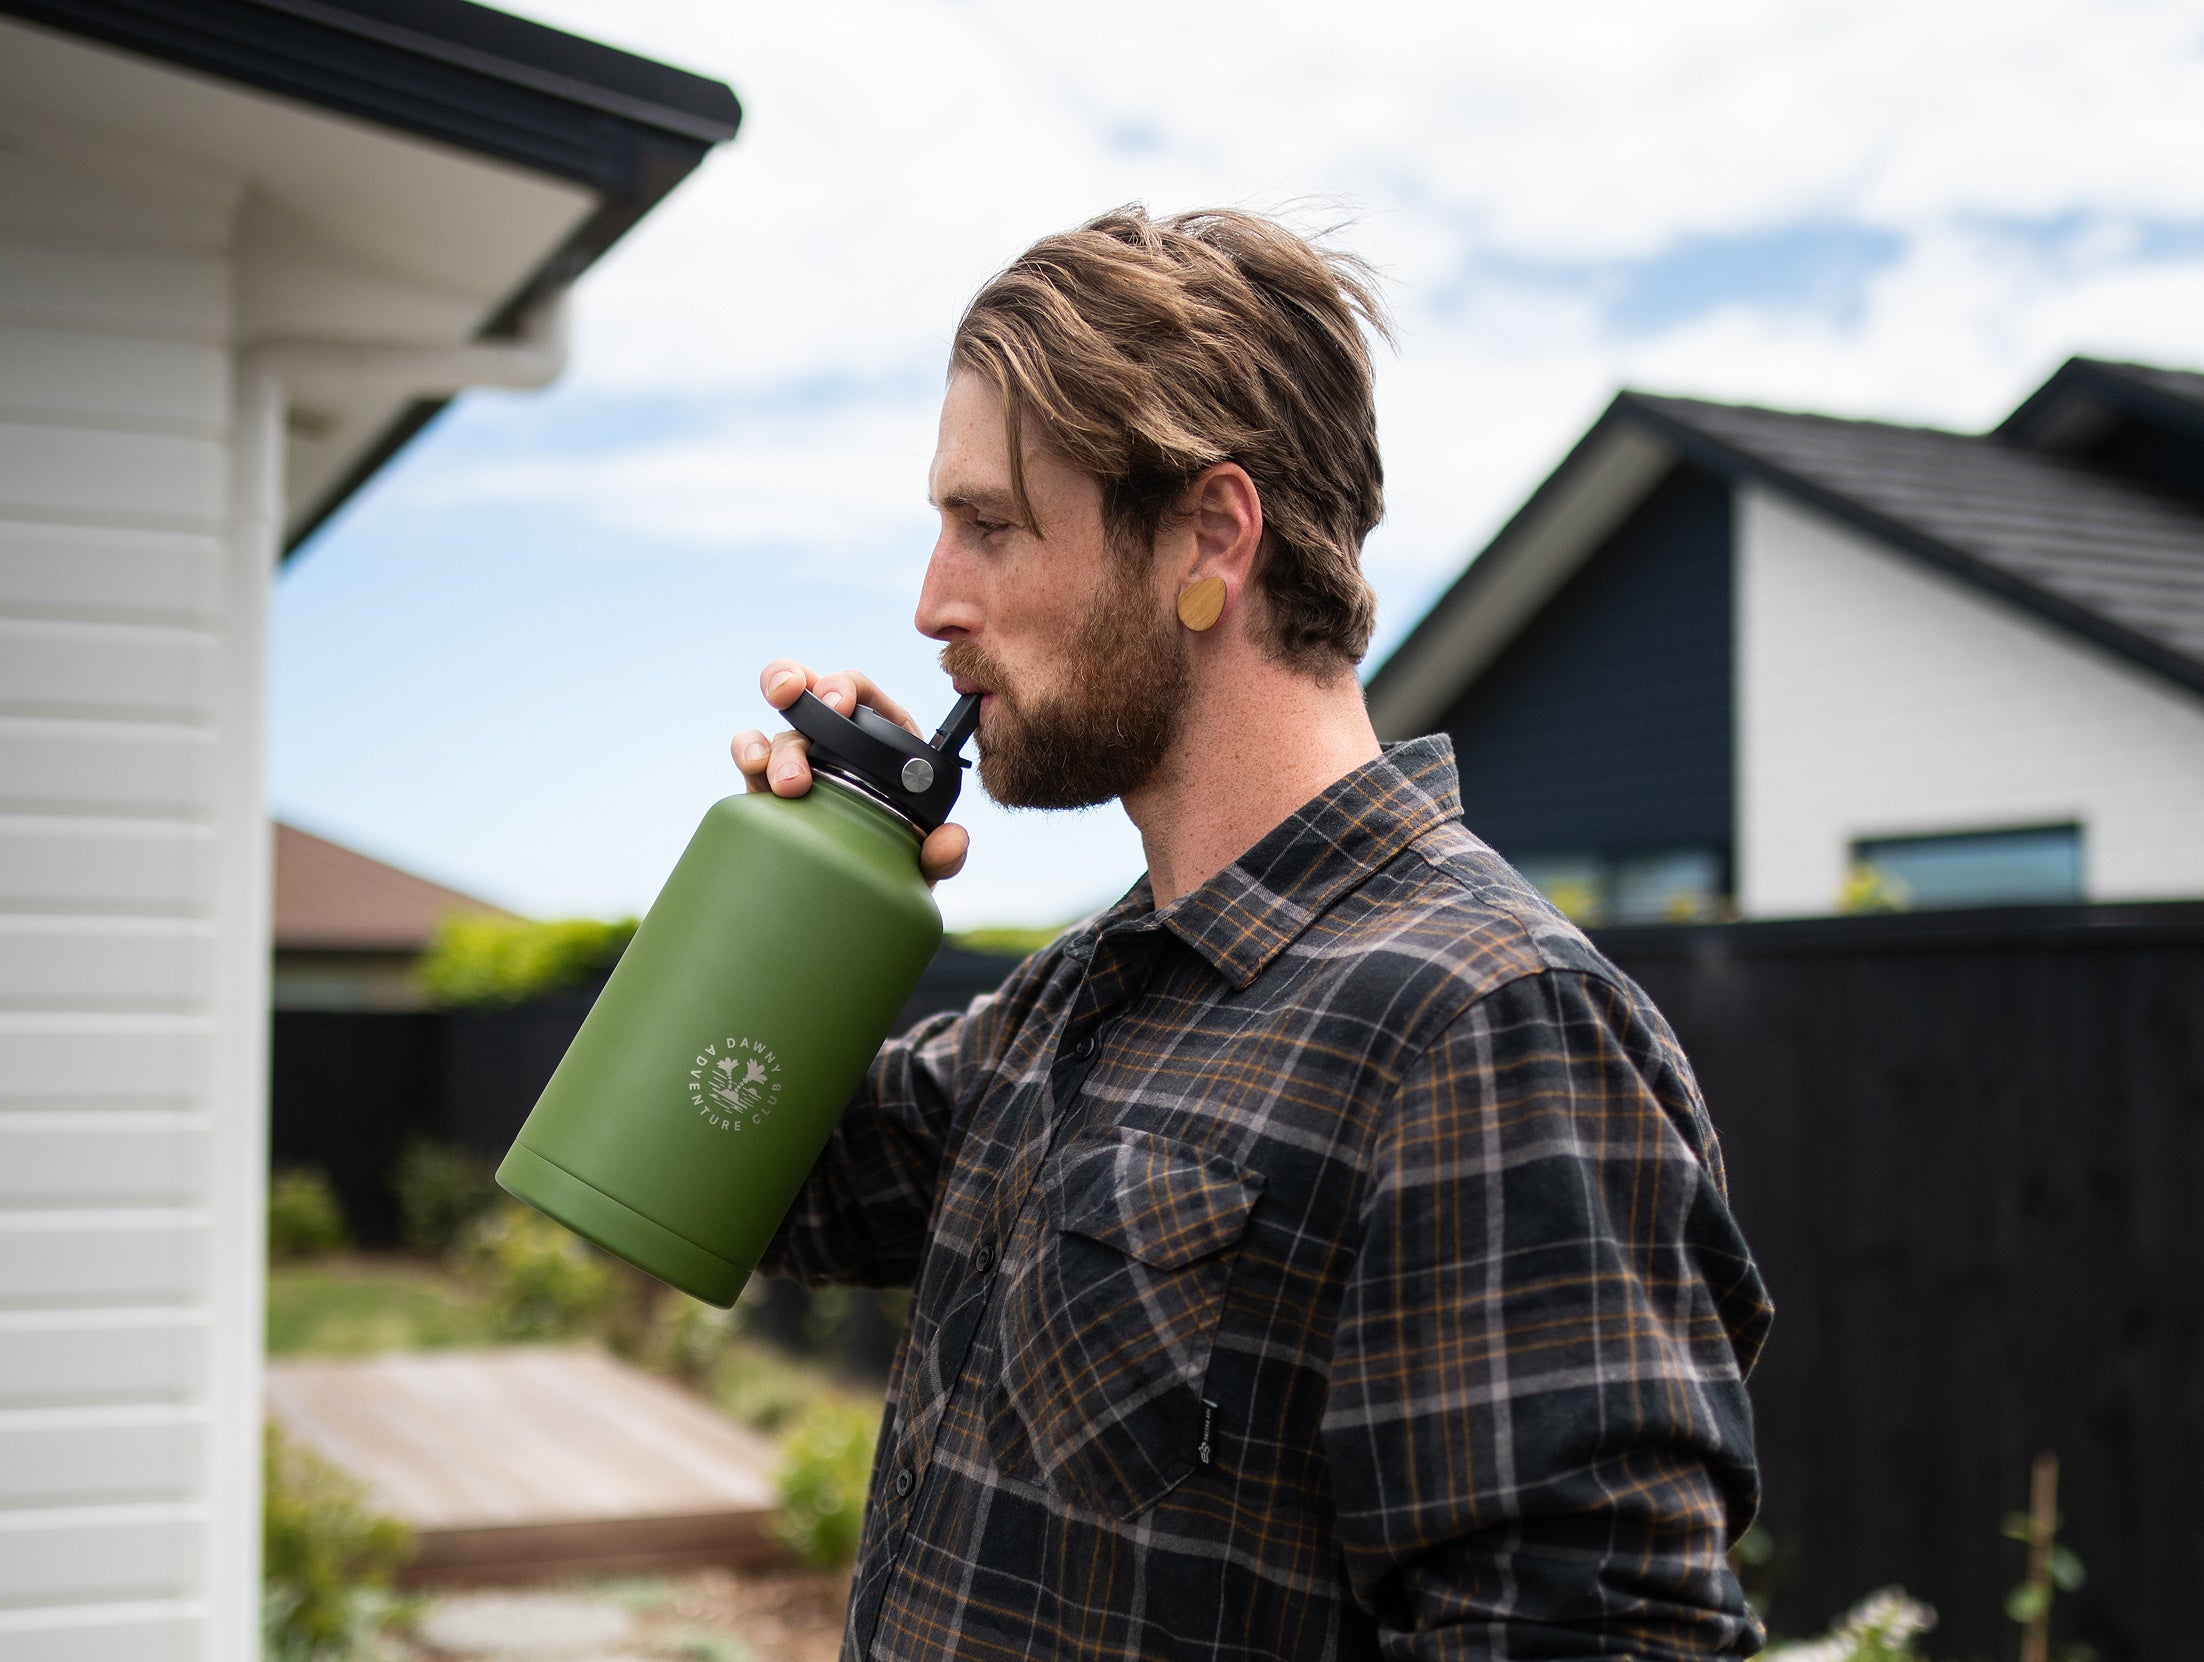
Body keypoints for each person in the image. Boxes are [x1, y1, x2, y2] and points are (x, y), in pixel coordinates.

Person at [730, 206, 1771, 1662]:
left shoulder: (1485, 1026)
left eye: (990, 523)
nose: (931, 603)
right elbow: (736, 1173)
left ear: (1210, 536)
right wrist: (797, 868)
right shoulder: (1079, 996)